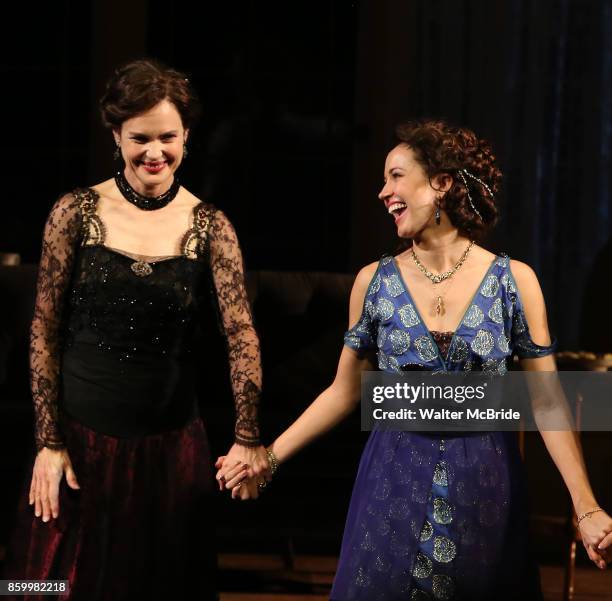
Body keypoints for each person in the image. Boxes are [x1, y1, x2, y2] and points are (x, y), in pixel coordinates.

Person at [216, 120, 612, 600]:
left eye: (396, 176)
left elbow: (547, 402)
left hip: (484, 483)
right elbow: (344, 391)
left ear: (441, 184)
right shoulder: (374, 282)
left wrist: (586, 506)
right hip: (392, 477)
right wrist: (269, 457)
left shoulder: (515, 281)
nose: (384, 192)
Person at [2, 59, 270, 600]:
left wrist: (247, 438)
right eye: (139, 138)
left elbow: (240, 335)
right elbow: (44, 332)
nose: (154, 152)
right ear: (116, 136)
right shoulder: (74, 212)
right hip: (78, 444)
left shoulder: (211, 226)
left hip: (170, 454)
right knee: (44, 587)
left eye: (167, 137)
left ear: (187, 136)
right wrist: (48, 444)